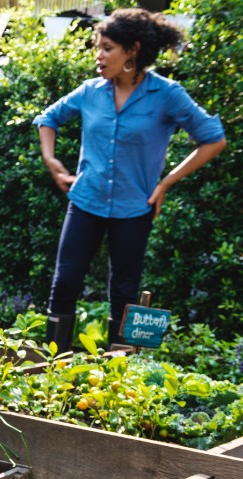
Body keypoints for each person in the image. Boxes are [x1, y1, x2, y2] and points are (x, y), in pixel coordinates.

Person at [33, 8, 226, 351]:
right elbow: (49, 118)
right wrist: (51, 159)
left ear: (132, 50)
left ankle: (117, 375)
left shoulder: (166, 95)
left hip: (135, 208)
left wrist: (166, 183)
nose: (99, 55)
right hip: (86, 200)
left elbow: (213, 138)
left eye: (107, 47)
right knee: (65, 283)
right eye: (98, 46)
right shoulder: (91, 91)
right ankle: (51, 368)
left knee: (124, 292)